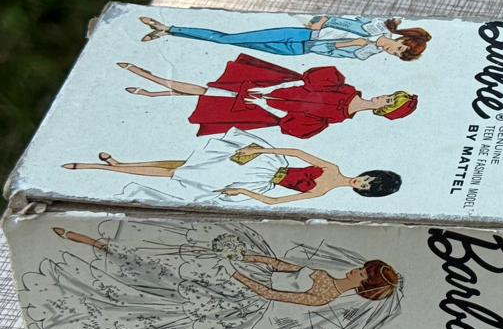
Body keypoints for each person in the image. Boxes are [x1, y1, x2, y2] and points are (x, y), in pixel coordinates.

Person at [21, 220, 402, 329]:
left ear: (362, 285)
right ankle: (95, 242)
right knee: (169, 259)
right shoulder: (321, 273)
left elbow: (274, 295)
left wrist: (236, 277)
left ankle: (95, 269)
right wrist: (244, 257)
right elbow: (278, 264)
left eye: (361, 272)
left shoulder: (324, 296)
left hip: (242, 294)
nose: (355, 268)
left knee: (162, 288)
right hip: (248, 271)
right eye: (361, 266)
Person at [60, 129, 401, 206]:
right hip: (264, 163)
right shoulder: (332, 169)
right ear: (367, 172)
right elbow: (296, 151)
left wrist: (243, 192)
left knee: (178, 173)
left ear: (362, 193)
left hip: (254, 182)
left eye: (364, 187)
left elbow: (276, 201)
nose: (360, 182)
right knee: (180, 164)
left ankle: (103, 169)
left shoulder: (323, 191)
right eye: (367, 178)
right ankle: (118, 164)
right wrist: (261, 149)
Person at [115, 55, 416, 138]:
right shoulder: (345, 88)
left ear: (383, 112)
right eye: (390, 96)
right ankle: (153, 85)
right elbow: (309, 79)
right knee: (209, 90)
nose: (384, 98)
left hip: (261, 105)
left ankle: (152, 84)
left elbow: (294, 124)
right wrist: (269, 90)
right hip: (269, 85)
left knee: (208, 93)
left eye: (389, 103)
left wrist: (264, 104)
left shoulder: (336, 118)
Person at [139, 14, 431, 61]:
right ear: (401, 40)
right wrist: (321, 20)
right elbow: (338, 18)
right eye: (398, 49)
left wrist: (349, 45)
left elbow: (329, 51)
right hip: (301, 32)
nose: (392, 52)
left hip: (301, 49)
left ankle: (167, 31)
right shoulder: (374, 27)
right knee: (229, 38)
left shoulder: (367, 53)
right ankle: (169, 28)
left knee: (240, 44)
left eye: (396, 55)